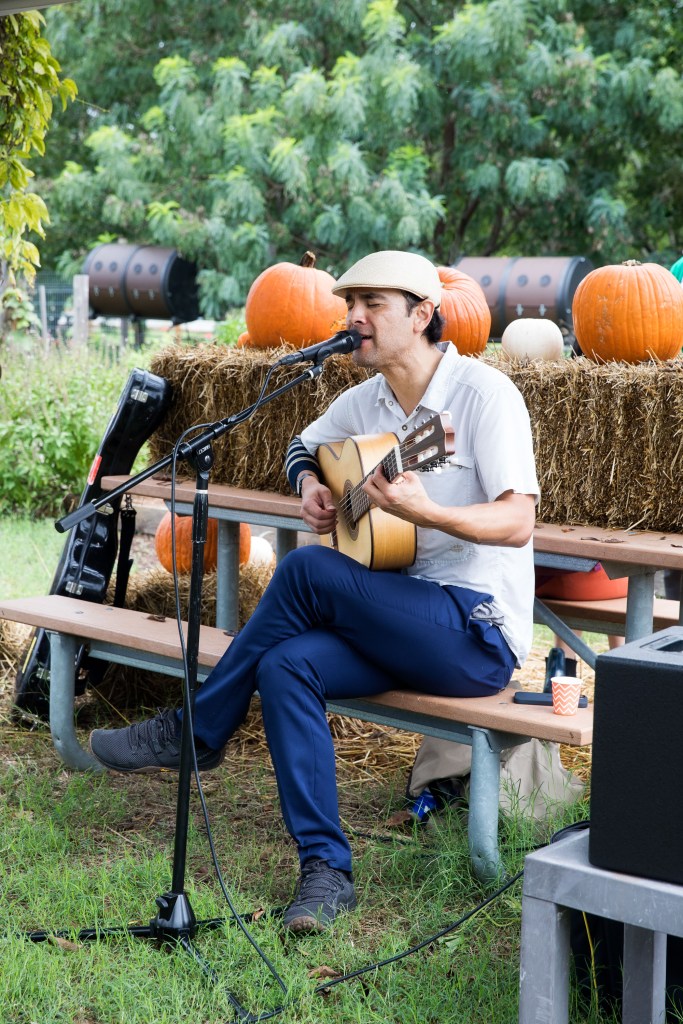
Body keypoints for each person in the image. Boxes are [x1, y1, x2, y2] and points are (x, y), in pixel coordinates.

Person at [89, 250, 540, 932]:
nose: (353, 318)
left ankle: (199, 726)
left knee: (303, 570)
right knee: (283, 664)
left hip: (473, 632)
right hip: (398, 620)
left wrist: (430, 514)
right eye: (348, 305)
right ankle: (325, 873)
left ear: (421, 316)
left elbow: (517, 519)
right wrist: (312, 487)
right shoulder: (366, 401)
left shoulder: (481, 396)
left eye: (373, 306)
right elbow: (302, 446)